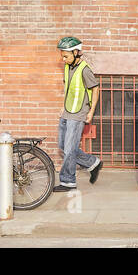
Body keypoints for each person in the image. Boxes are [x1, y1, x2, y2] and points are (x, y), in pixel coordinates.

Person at [54, 36, 102, 191]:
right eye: (62, 55)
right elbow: (68, 88)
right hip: (67, 111)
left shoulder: (85, 70)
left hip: (79, 113)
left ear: (76, 52)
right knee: (63, 146)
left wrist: (91, 112)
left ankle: (68, 181)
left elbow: (95, 89)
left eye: (66, 56)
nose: (63, 59)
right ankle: (92, 163)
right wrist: (63, 106)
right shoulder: (68, 67)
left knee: (69, 149)